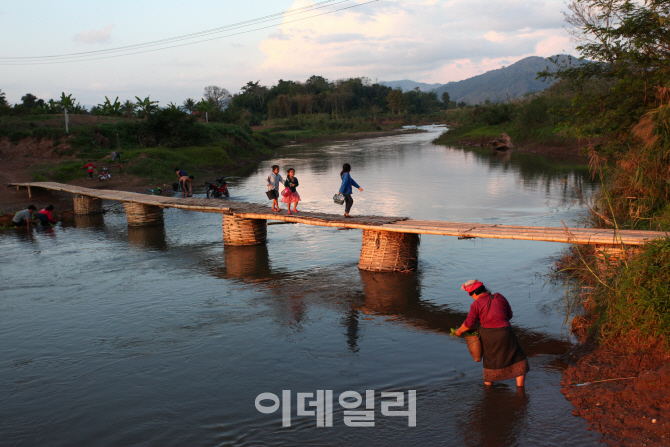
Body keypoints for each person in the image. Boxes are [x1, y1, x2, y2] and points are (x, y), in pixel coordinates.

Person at [455, 280, 529, 388]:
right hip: (506, 331)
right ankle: (520, 388)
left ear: (475, 293)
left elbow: (469, 323)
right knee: (518, 357)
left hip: (488, 335)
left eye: (470, 295)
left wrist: (458, 331)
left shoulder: (476, 304)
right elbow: (509, 315)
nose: (471, 297)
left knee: (490, 361)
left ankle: (489, 390)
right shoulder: (500, 297)